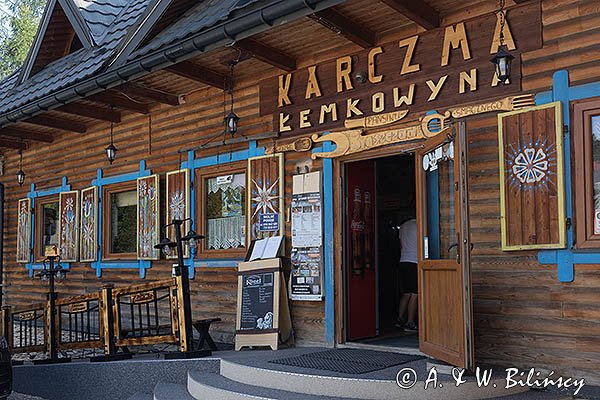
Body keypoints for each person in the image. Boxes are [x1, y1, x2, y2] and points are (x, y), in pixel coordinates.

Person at [396, 218, 418, 332]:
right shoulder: (420, 225)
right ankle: (410, 322)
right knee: (414, 294)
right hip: (415, 261)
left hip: (403, 260)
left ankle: (400, 319)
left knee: (406, 293)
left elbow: (400, 246)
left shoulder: (403, 226)